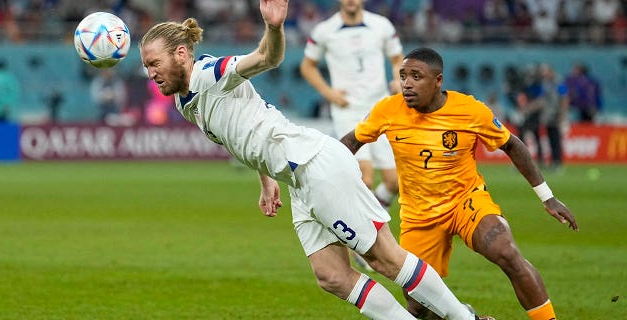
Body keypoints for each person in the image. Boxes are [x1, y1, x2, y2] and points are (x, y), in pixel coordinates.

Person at [139, 2, 492, 319]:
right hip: (297, 179)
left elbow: (266, 58)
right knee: (332, 276)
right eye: (146, 66)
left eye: (155, 63)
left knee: (383, 257)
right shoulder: (184, 103)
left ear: (181, 54)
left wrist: (274, 28)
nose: (150, 73)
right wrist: (266, 179)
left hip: (314, 165)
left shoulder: (210, 73)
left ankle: (465, 318)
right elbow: (240, 132)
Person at [340, 47, 579, 320]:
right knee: (418, 305)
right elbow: (350, 142)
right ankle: (464, 317)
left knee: (506, 252)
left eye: (416, 76)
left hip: (465, 202)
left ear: (438, 80)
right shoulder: (388, 110)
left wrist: (547, 197)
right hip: (419, 217)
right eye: (403, 76)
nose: (406, 83)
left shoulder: (469, 110)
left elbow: (512, 145)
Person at [299, 0, 402, 270]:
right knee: (365, 177)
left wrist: (398, 80)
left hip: (380, 110)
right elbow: (307, 66)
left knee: (394, 182)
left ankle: (369, 226)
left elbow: (396, 59)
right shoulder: (325, 30)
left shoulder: (381, 26)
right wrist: (330, 93)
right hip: (348, 113)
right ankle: (362, 242)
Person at [537, 63, 569, 171]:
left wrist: (562, 114)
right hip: (547, 116)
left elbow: (564, 98)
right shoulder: (545, 83)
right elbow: (542, 99)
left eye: (545, 72)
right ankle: (553, 161)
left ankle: (558, 162)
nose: (544, 74)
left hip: (556, 114)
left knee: (556, 138)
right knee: (551, 138)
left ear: (551, 71)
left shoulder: (558, 82)